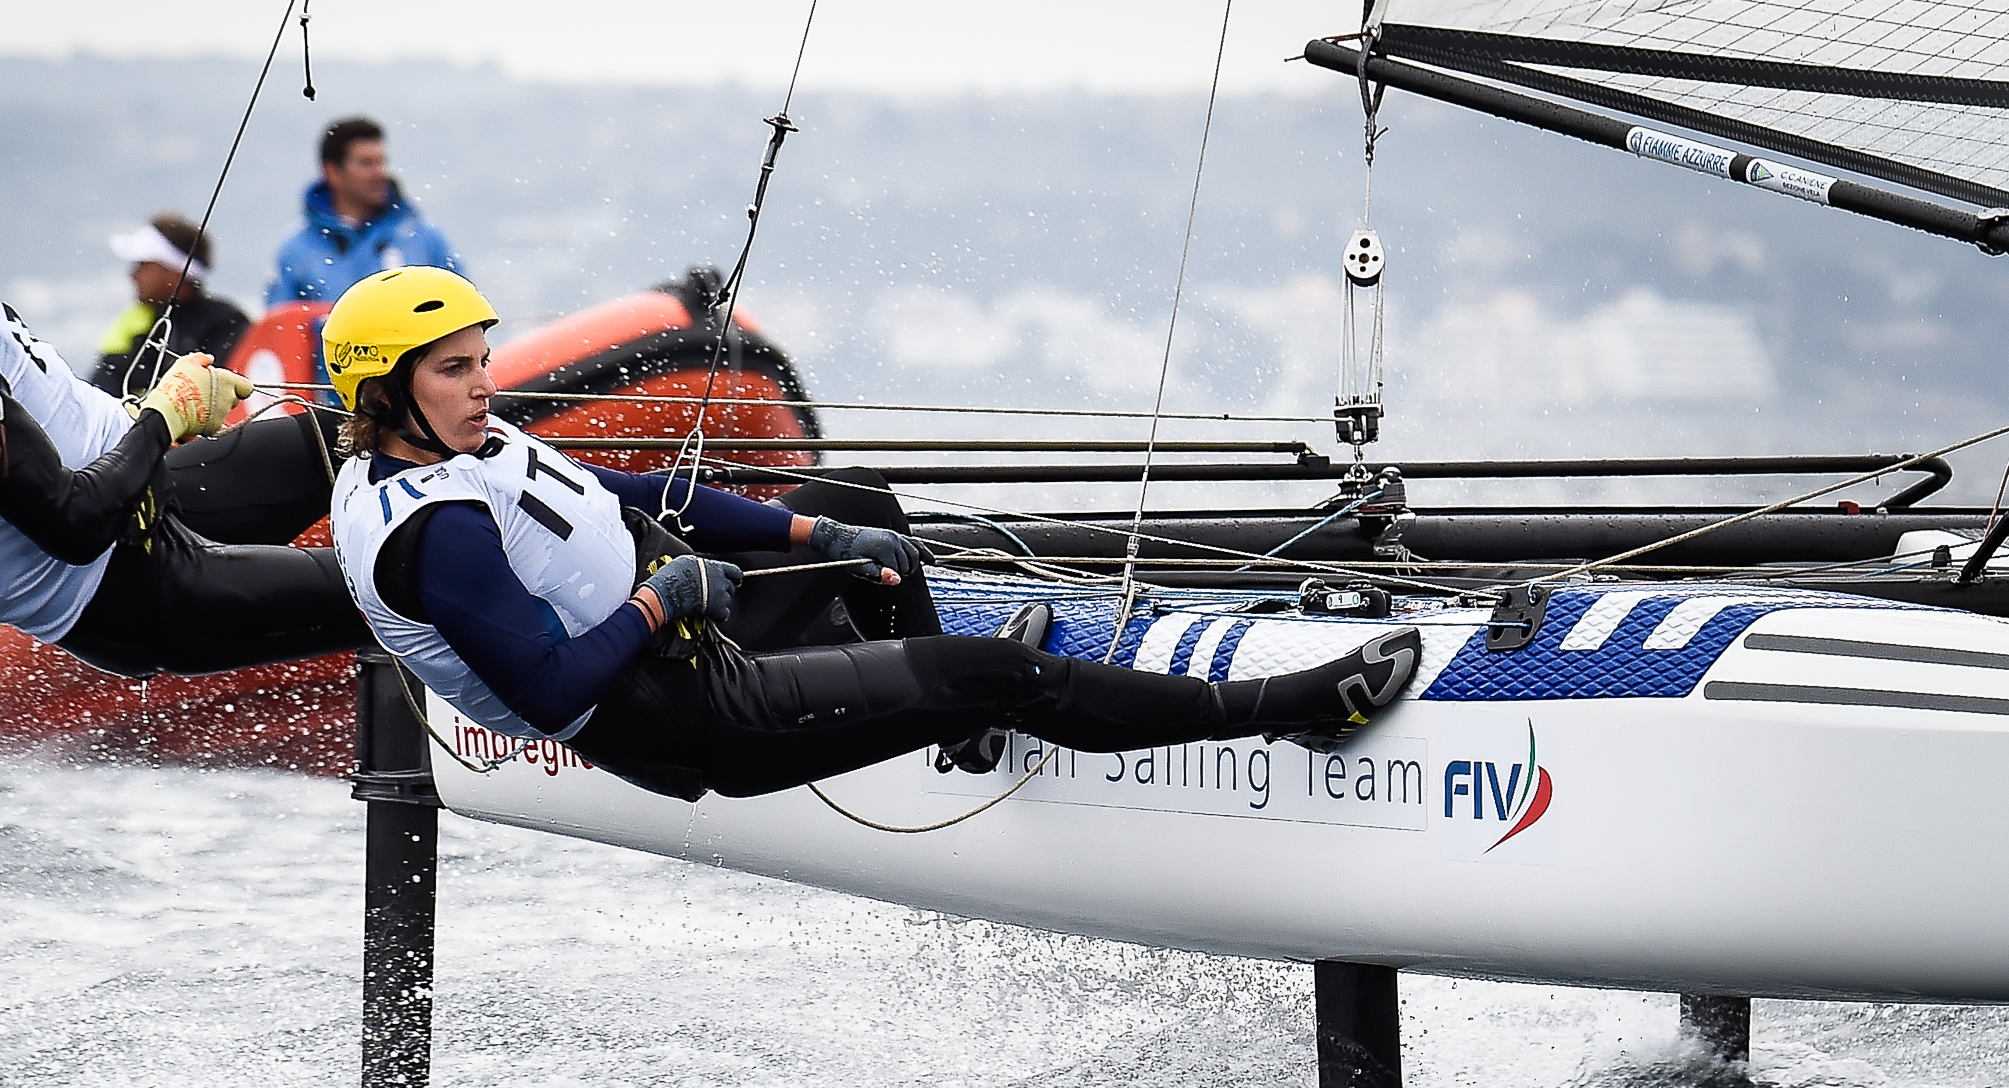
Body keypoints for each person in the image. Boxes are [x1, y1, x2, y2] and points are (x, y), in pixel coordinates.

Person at [324, 268, 1423, 803]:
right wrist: (668, 601)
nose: (483, 384)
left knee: (876, 531)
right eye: (455, 369)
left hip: (692, 626)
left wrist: (806, 523)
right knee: (1004, 670)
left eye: (480, 360)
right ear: (390, 387)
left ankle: (955, 731)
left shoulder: (465, 441)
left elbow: (633, 486)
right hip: (693, 711)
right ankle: (1296, 711)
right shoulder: (440, 532)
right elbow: (546, 683)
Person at [0, 91, 369, 678]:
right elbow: (75, 525)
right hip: (130, 585)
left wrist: (147, 413)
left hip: (146, 498)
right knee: (406, 581)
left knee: (340, 440)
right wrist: (163, 417)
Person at [266, 117, 464, 306]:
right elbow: (281, 331)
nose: (379, 173)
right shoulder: (296, 249)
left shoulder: (424, 237)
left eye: (381, 162)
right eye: (366, 164)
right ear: (332, 172)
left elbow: (462, 308)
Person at [90, 214, 252, 399]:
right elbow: (103, 390)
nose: (133, 274)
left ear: (176, 272)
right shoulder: (135, 322)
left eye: (143, 264)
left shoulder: (226, 324)